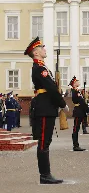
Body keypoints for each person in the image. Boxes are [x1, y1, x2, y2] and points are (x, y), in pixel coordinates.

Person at [24, 36, 68, 184]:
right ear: (36, 52)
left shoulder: (42, 67)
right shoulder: (40, 68)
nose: (44, 49)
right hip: (44, 108)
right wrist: (62, 103)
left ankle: (46, 174)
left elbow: (52, 87)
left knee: (45, 142)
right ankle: (45, 175)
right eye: (42, 48)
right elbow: (50, 88)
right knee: (43, 142)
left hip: (46, 107)